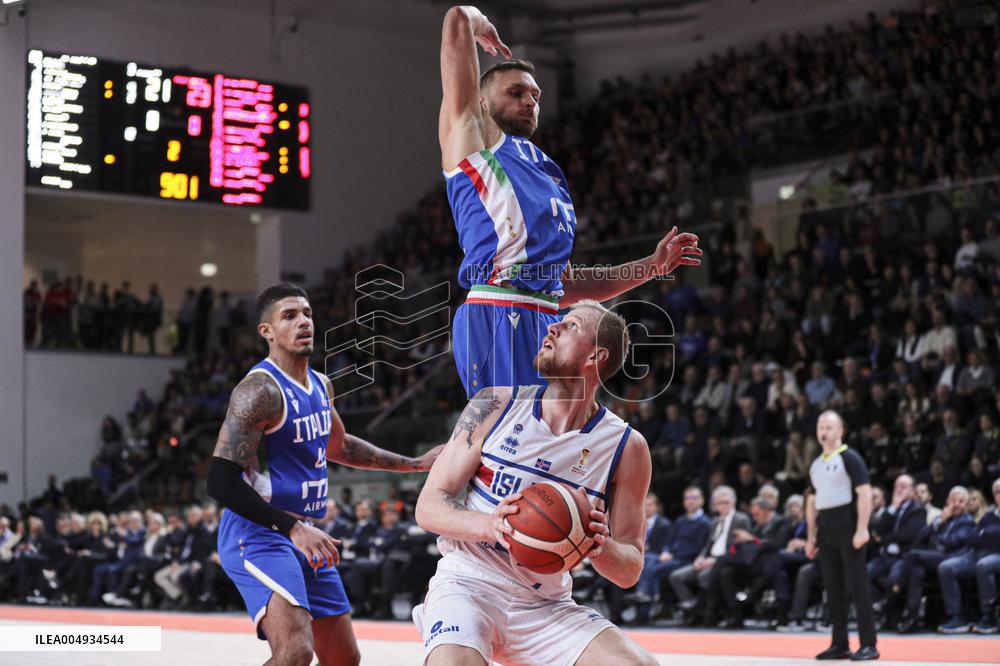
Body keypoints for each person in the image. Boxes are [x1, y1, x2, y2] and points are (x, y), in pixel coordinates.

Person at [438, 5, 702, 398]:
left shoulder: (550, 174)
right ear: (481, 103)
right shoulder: (472, 141)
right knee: (503, 444)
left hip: (546, 317)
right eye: (515, 93)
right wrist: (479, 23)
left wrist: (651, 266)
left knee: (552, 449)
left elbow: (565, 285)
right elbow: (457, 18)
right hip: (497, 308)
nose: (530, 101)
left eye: (535, 95)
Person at [206, 283, 441, 666]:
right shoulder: (259, 391)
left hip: (306, 535)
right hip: (261, 533)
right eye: (289, 316)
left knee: (343, 659)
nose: (303, 322)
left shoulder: (320, 384)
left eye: (307, 314)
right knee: (295, 652)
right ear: (266, 331)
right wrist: (292, 529)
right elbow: (219, 479)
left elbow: (342, 447)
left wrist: (414, 464)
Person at [413, 299, 657, 665]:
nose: (552, 328)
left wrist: (597, 545)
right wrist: (493, 525)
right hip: (468, 583)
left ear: (596, 356)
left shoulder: (627, 446)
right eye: (557, 323)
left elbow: (629, 570)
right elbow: (429, 506)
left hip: (545, 604)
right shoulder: (494, 404)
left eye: (571, 326)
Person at [805, 410, 879, 661]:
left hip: (848, 529)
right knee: (833, 589)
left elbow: (865, 493)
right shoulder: (816, 464)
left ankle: (869, 644)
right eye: (820, 427)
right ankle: (840, 643)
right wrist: (811, 536)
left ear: (840, 431)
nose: (823, 432)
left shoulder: (850, 458)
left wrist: (862, 528)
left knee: (858, 588)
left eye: (828, 427)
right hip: (826, 531)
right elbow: (811, 501)